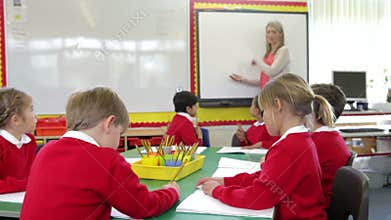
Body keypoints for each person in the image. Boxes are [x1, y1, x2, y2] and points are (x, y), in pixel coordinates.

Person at [20, 87, 179, 220]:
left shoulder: (46, 150)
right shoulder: (106, 160)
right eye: (120, 133)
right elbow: (143, 206)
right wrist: (171, 192)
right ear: (109, 123)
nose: (118, 142)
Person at [196, 73, 331, 220]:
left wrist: (218, 191)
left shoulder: (289, 147)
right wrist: (224, 181)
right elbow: (264, 179)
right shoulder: (298, 140)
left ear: (278, 105)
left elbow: (259, 196)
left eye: (264, 110)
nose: (263, 116)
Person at [310, 83, 351, 207]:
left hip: (316, 206)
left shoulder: (317, 142)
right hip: (322, 202)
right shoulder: (330, 137)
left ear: (320, 111)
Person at [230, 21, 290, 89]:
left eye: (274, 32)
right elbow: (264, 81)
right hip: (266, 93)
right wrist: (243, 80)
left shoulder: (283, 50)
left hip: (277, 94)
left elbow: (271, 72)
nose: (270, 35)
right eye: (268, 32)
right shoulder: (268, 54)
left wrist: (258, 61)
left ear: (280, 34)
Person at [0, 88, 37, 194]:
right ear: (16, 120)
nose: (35, 115)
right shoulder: (1, 144)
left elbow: (32, 175)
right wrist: (27, 184)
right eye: (31, 110)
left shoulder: (29, 141)